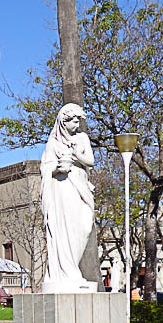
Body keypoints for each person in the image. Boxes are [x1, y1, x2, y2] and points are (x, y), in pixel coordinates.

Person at [39, 103, 95, 292]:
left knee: (85, 226)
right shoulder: (54, 143)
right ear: (64, 122)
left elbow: (91, 161)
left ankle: (71, 268)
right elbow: (45, 166)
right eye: (74, 120)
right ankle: (68, 271)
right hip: (64, 188)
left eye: (78, 120)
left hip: (81, 186)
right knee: (67, 228)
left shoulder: (82, 138)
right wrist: (57, 168)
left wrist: (76, 154)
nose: (77, 123)